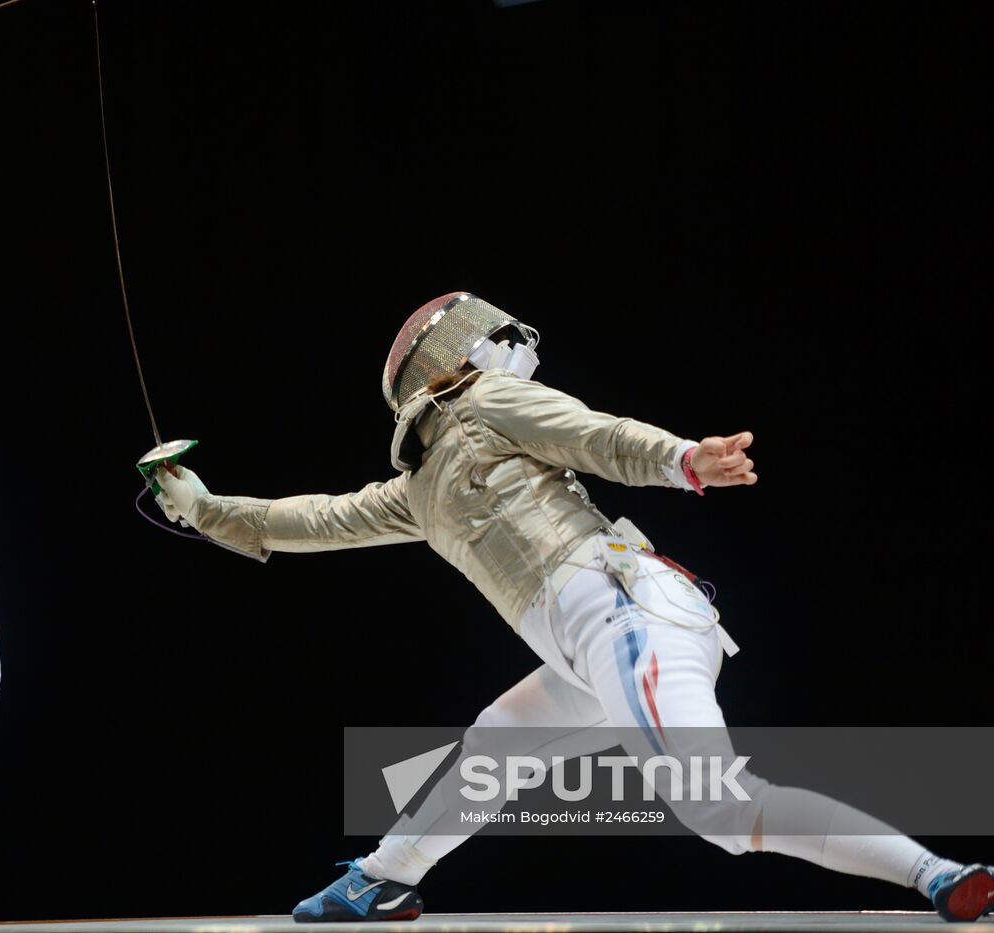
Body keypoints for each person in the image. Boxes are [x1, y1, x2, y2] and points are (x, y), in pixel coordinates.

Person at [154, 292, 992, 924]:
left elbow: (588, 433)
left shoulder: (463, 437)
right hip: (599, 636)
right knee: (494, 746)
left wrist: (683, 459)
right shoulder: (439, 460)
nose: (526, 353)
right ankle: (385, 878)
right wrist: (204, 506)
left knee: (717, 805)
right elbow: (310, 519)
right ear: (469, 352)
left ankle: (936, 874)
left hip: (626, 616)